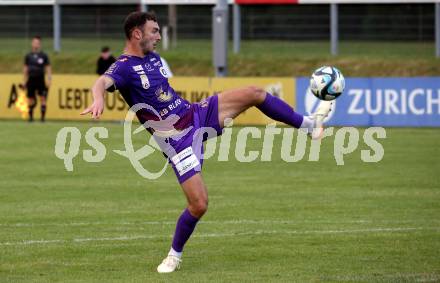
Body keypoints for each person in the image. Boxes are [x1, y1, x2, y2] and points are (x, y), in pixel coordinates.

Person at [81, 11, 333, 274]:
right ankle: (173, 255)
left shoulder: (154, 59)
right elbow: (102, 81)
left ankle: (308, 125)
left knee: (255, 93)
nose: (158, 36)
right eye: (154, 31)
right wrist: (98, 97)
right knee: (199, 204)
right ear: (136, 33)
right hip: (177, 140)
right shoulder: (123, 66)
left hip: (195, 114)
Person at [23, 36, 51, 122]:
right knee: (30, 99)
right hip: (31, 79)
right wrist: (24, 81)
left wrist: (49, 79)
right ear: (32, 44)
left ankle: (42, 118)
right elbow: (25, 69)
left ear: (40, 44)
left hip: (40, 79)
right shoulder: (28, 56)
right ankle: (31, 117)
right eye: (34, 42)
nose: (36, 44)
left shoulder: (44, 56)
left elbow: (48, 68)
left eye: (37, 43)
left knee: (42, 98)